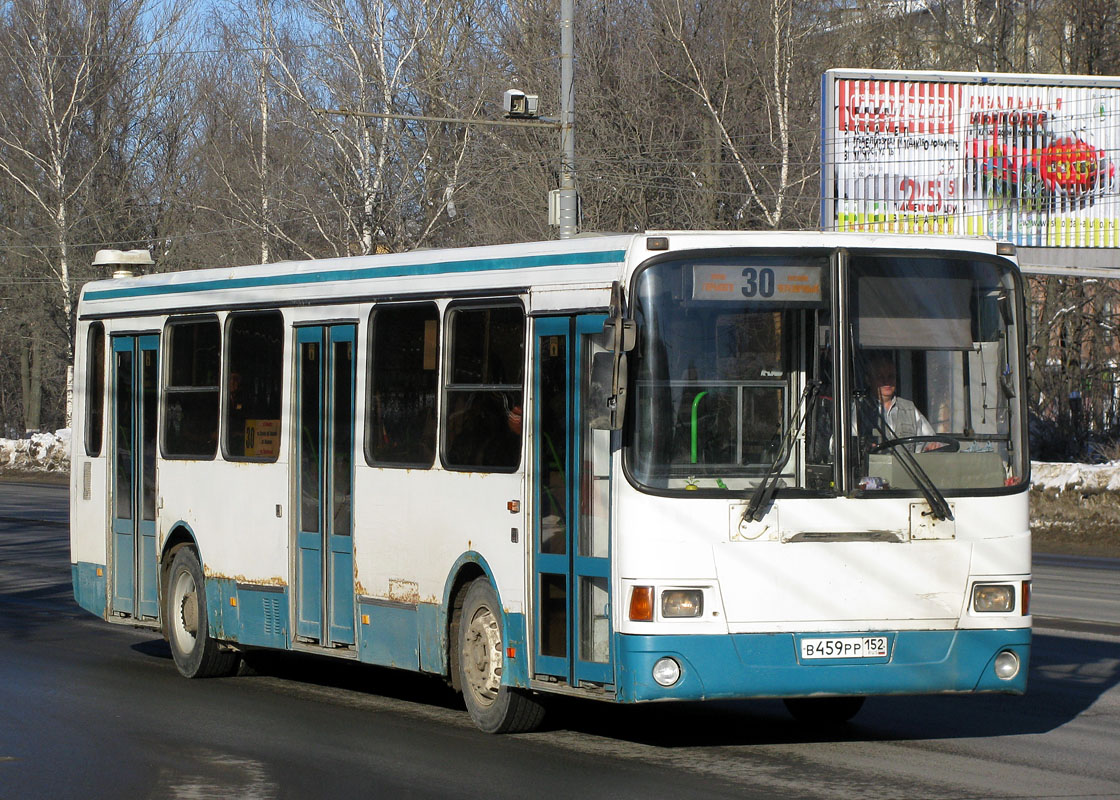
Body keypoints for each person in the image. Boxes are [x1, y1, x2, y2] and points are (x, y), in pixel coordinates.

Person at [865, 355, 941, 452]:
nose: (886, 382)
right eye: (880, 377)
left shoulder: (910, 409)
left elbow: (930, 441)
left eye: (890, 376)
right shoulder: (859, 409)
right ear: (868, 379)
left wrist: (932, 446)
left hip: (908, 467)